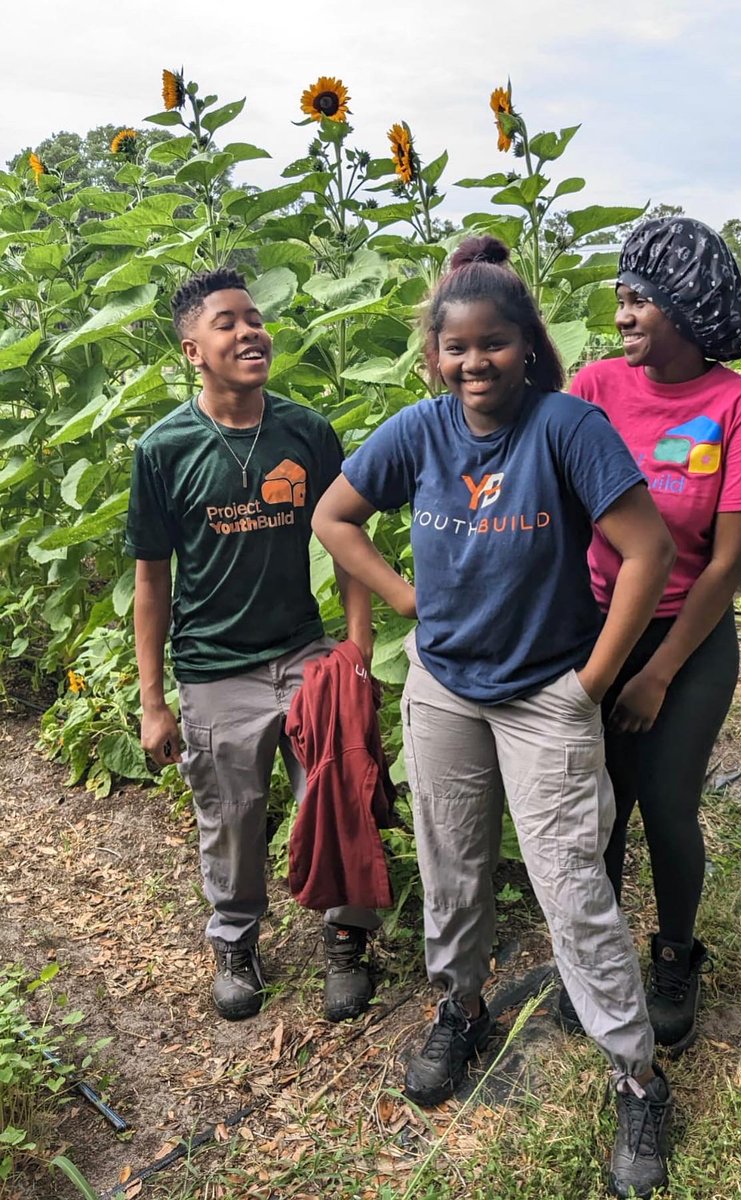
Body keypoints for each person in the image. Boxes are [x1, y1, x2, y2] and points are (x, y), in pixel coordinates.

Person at [313, 235, 679, 1199]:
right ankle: (461, 1008)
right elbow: (333, 517)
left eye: (493, 344)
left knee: (571, 887)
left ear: (527, 347)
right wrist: (404, 599)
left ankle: (637, 1076)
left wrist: (589, 683)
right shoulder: (418, 431)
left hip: (544, 694)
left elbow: (646, 551)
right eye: (456, 347)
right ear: (434, 354)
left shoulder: (565, 427)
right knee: (451, 866)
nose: (474, 363)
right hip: (443, 689)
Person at [125, 268, 380, 1024]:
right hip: (213, 668)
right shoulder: (164, 449)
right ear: (192, 350)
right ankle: (235, 941)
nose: (249, 332)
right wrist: (153, 701)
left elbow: (345, 539)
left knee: (336, 793)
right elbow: (151, 579)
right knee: (231, 814)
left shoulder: (306, 433)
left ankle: (346, 937)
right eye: (227, 322)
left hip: (303, 652)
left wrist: (357, 643)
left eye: (254, 318)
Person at [565, 217, 741, 1056]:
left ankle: (673, 957)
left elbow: (726, 565)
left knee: (664, 804)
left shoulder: (739, 407)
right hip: (596, 627)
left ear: (687, 307)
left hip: (687, 640)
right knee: (597, 808)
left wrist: (657, 672)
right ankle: (598, 964)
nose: (621, 314)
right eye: (620, 297)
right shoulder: (593, 388)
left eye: (639, 299)